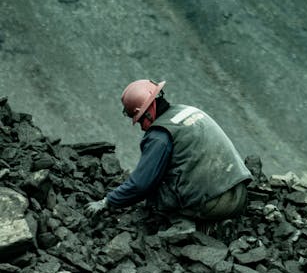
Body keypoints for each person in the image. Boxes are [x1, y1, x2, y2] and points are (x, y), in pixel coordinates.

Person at [85, 79, 252, 223]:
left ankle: (186, 225)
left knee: (157, 191)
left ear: (148, 112)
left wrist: (107, 201)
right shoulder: (187, 110)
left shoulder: (160, 135)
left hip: (216, 205)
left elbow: (141, 184)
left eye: (140, 120)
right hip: (240, 193)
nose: (142, 127)